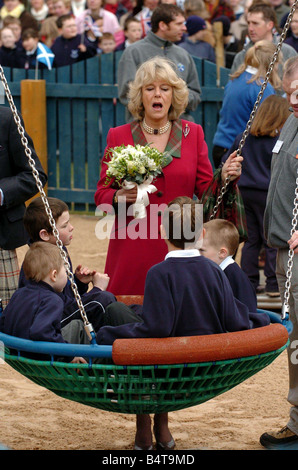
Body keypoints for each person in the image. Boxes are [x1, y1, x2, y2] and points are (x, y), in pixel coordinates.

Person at [96, 196, 270, 450]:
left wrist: (108, 334)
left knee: (115, 312)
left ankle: (143, 423)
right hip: (202, 369)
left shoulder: (158, 273)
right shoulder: (214, 271)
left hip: (169, 369)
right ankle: (158, 425)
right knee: (131, 314)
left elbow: (157, 329)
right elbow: (235, 320)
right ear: (201, 233)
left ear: (162, 231)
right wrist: (262, 318)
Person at [94, 56, 243, 296]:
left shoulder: (192, 133)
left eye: (165, 89)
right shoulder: (118, 135)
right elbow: (101, 196)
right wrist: (120, 195)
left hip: (182, 244)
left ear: (174, 95)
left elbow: (206, 191)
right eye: (149, 88)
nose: (157, 95)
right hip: (133, 241)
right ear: (140, 96)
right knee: (127, 317)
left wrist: (224, 176)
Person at [260, 56, 298, 449]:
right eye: (288, 92)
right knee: (297, 339)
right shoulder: (291, 118)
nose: (294, 99)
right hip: (284, 247)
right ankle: (297, 419)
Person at [222, 94, 291, 296]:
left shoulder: (244, 137)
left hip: (244, 193)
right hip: (269, 194)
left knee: (250, 240)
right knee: (270, 239)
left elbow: (227, 161)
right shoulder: (279, 141)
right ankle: (272, 284)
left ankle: (250, 283)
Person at [19, 196, 120, 332]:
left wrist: (79, 282)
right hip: (49, 320)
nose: (72, 227)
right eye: (65, 225)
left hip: (61, 309)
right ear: (45, 234)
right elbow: (58, 306)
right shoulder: (42, 262)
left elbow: (66, 294)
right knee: (102, 299)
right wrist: (97, 289)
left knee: (113, 305)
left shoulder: (60, 250)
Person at [0, 242, 90, 363]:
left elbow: (3, 323)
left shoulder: (19, 293)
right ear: (54, 275)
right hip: (39, 358)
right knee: (78, 326)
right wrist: (70, 355)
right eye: (65, 270)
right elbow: (40, 332)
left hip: (16, 355)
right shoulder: (53, 300)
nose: (67, 275)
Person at [117, 4, 202, 123]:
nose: (184, 28)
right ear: (162, 25)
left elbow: (195, 95)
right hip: (142, 130)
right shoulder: (134, 52)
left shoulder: (183, 55)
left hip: (179, 130)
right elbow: (126, 94)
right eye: (179, 24)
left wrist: (174, 99)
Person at [0, 106, 47, 308]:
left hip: (1, 240)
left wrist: (1, 193)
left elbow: (34, 175)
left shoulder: (6, 119)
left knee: (7, 316)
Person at [212, 39, 281, 168]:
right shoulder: (261, 86)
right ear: (270, 63)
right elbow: (268, 124)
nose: (277, 67)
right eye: (277, 63)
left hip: (221, 144)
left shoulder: (235, 80)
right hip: (239, 151)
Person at [200, 218, 257, 311]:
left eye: (201, 250)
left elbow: (247, 313)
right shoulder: (216, 271)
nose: (197, 254)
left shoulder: (235, 277)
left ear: (222, 253)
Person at [230, 3, 297, 76]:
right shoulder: (241, 56)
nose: (250, 28)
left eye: (255, 23)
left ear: (270, 25)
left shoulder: (288, 52)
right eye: (249, 23)